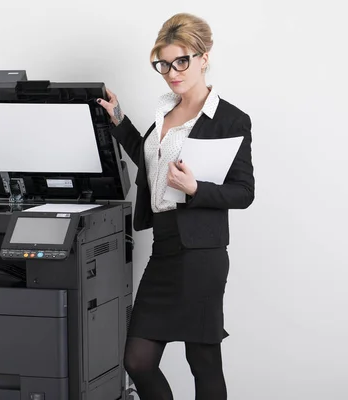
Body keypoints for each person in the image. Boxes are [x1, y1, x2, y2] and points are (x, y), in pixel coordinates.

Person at [97, 12, 255, 400]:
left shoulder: (229, 120)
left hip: (202, 253)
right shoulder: (165, 113)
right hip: (165, 250)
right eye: (163, 64)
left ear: (204, 57)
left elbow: (244, 192)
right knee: (138, 360)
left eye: (181, 61)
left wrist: (196, 187)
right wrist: (119, 121)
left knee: (203, 361)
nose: (172, 72)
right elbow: (149, 160)